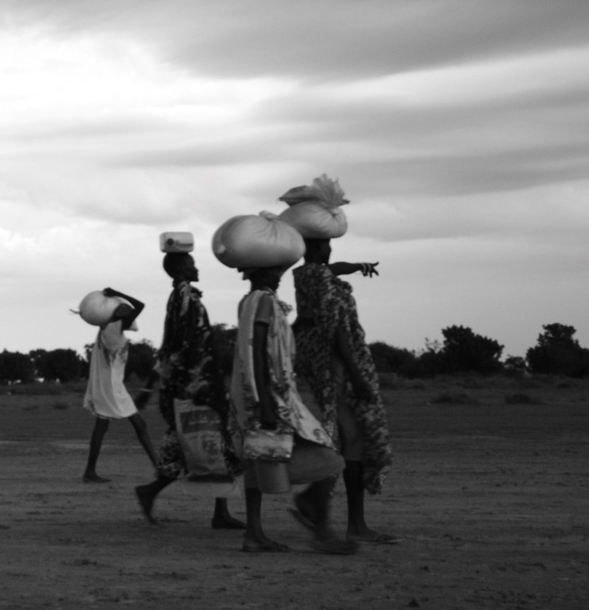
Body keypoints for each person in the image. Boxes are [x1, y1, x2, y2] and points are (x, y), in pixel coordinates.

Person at [217, 212, 352, 555]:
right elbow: (260, 352)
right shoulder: (263, 301)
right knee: (330, 457)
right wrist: (265, 401)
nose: (279, 275)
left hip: (257, 395)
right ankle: (316, 521)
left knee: (256, 462)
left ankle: (254, 534)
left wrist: (300, 326)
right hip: (274, 398)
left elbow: (266, 344)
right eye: (275, 270)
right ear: (260, 270)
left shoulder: (253, 301)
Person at [281, 175, 396, 545]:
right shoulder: (318, 279)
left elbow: (333, 270)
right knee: (348, 440)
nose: (330, 250)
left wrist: (357, 266)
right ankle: (323, 508)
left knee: (350, 440)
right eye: (326, 244)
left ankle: (344, 519)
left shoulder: (306, 275)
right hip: (337, 372)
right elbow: (336, 331)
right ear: (319, 247)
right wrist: (356, 375)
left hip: (324, 368)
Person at [135, 232, 244, 529]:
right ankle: (153, 492)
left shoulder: (179, 298)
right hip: (197, 386)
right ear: (182, 270)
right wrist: (200, 383)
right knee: (211, 444)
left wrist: (151, 383)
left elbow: (168, 345)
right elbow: (184, 346)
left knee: (205, 445)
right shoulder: (186, 299)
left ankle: (216, 511)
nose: (197, 269)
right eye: (192, 264)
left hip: (189, 385)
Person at [79, 288, 165, 485]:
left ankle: (90, 471)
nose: (125, 308)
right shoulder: (116, 325)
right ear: (117, 313)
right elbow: (140, 305)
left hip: (109, 387)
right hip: (111, 388)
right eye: (122, 308)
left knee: (102, 428)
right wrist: (118, 292)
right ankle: (158, 467)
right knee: (138, 424)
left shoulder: (106, 327)